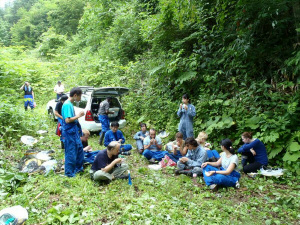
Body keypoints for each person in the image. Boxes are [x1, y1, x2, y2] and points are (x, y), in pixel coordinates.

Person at [61, 87, 85, 177]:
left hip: (74, 131)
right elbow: (67, 120)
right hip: (69, 131)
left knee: (79, 150)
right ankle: (69, 173)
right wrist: (78, 116)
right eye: (80, 96)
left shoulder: (70, 104)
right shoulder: (67, 104)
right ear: (75, 95)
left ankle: (78, 169)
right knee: (71, 152)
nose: (80, 98)